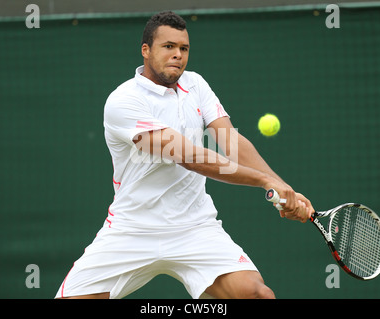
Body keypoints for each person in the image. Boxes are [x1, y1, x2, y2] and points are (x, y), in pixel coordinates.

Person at [56, 11, 313, 299]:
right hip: (133, 230)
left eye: (183, 48)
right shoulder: (123, 101)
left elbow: (231, 142)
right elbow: (189, 156)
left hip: (195, 227)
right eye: (168, 47)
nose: (177, 54)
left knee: (257, 295)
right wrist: (265, 181)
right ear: (146, 50)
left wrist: (285, 189)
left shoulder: (196, 85)